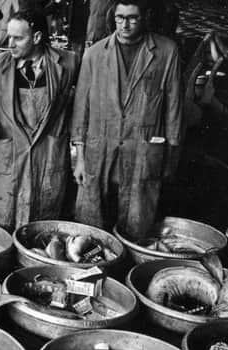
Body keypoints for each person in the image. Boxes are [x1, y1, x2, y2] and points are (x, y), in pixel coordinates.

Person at [71, 0, 182, 239]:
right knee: (93, 225)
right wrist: (80, 159)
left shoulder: (166, 52)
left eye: (132, 18)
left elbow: (174, 110)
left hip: (142, 150)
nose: (125, 24)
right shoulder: (94, 54)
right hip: (100, 150)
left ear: (145, 17)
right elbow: (81, 109)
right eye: (120, 18)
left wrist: (170, 160)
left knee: (137, 224)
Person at [0, 9, 80, 231]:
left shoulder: (69, 63)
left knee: (43, 227)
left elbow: (81, 106)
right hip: (8, 154)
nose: (9, 43)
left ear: (36, 37)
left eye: (18, 38)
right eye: (8, 35)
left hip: (48, 153)